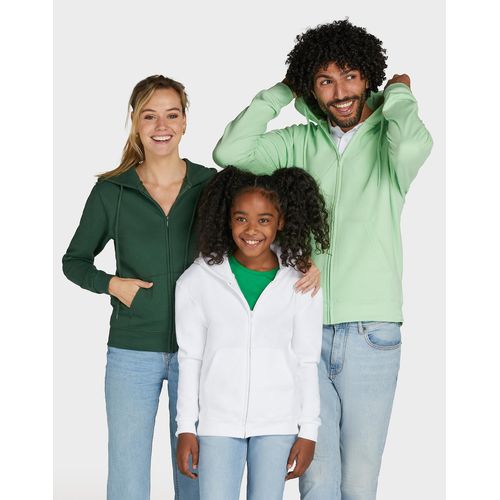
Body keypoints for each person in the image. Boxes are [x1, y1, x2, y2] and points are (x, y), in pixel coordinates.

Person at [212, 19, 434, 500]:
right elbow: (230, 150)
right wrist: (280, 92)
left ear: (367, 77)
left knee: (359, 482)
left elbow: (416, 144)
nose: (340, 92)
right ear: (310, 88)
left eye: (350, 76)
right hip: (303, 326)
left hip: (372, 332)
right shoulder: (297, 142)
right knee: (315, 479)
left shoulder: (389, 144)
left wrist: (398, 94)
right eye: (325, 81)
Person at [62, 75, 217, 500]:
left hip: (200, 351)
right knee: (127, 477)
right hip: (131, 352)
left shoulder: (210, 185)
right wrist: (111, 284)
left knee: (197, 474)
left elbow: (247, 244)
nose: (161, 126)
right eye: (149, 116)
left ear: (185, 121)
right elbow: (74, 261)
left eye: (171, 115)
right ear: (134, 121)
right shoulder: (112, 191)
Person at [174, 166, 330, 500]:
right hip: (218, 424)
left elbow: (306, 360)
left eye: (264, 219)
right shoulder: (197, 281)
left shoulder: (300, 283)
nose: (252, 230)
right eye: (241, 218)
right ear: (227, 220)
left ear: (280, 222)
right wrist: (186, 427)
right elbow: (190, 358)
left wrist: (309, 430)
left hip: (278, 423)